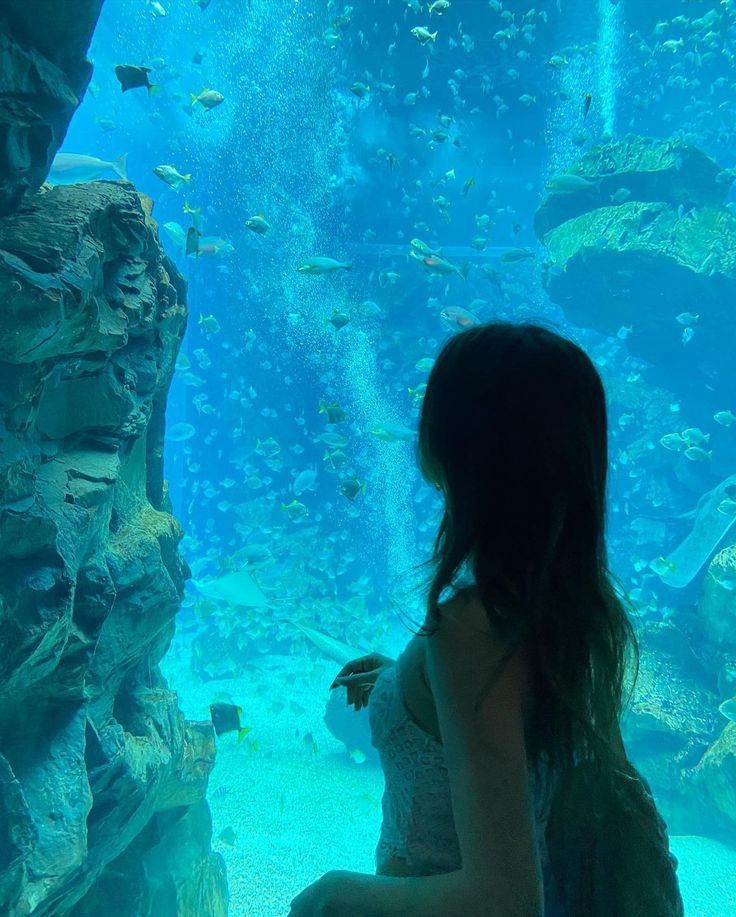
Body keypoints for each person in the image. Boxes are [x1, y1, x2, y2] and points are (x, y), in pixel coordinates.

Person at [289, 322, 684, 916]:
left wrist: (335, 895)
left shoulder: (472, 634)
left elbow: (502, 900)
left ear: (458, 442)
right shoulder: (576, 610)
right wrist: (406, 683)